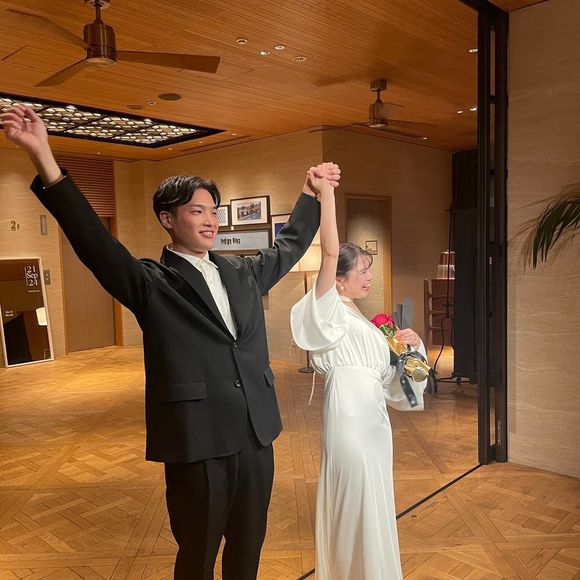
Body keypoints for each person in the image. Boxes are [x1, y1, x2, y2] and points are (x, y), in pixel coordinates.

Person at [1, 104, 341, 580]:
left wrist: (309, 193)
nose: (210, 220)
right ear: (168, 218)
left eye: (213, 211)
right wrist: (44, 158)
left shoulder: (242, 272)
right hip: (197, 440)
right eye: (197, 211)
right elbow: (93, 241)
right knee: (198, 554)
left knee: (249, 547)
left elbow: (291, 244)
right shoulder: (151, 283)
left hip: (255, 433)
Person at [290, 170, 428, 579]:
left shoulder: (363, 320)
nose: (369, 277)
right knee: (354, 498)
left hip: (374, 422)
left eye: (370, 269)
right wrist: (326, 193)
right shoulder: (329, 310)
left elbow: (393, 384)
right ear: (338, 280)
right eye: (362, 271)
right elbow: (330, 251)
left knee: (374, 499)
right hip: (348, 420)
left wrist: (412, 347)